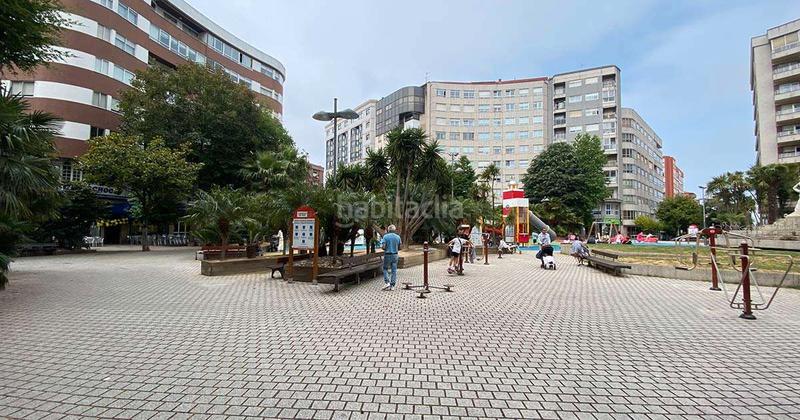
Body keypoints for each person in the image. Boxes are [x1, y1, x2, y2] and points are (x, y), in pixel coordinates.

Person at [379, 225, 401, 290]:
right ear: (394, 230)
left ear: (388, 230)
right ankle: (392, 286)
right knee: (394, 270)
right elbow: (400, 247)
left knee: (385, 268)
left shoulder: (385, 237)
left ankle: (387, 282)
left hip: (387, 255)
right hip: (395, 255)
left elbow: (383, 247)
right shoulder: (398, 237)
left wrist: (385, 248)